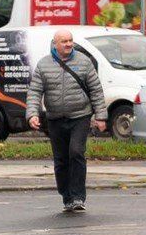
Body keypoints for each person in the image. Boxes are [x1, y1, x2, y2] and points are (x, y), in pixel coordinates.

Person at [25, 28, 105, 214]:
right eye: (64, 41)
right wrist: (33, 114)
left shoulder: (84, 62)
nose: (69, 44)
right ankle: (66, 196)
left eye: (70, 40)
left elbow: (96, 90)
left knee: (76, 152)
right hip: (55, 118)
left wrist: (100, 116)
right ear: (55, 44)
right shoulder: (44, 65)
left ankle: (78, 197)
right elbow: (35, 91)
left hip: (80, 116)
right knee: (61, 160)